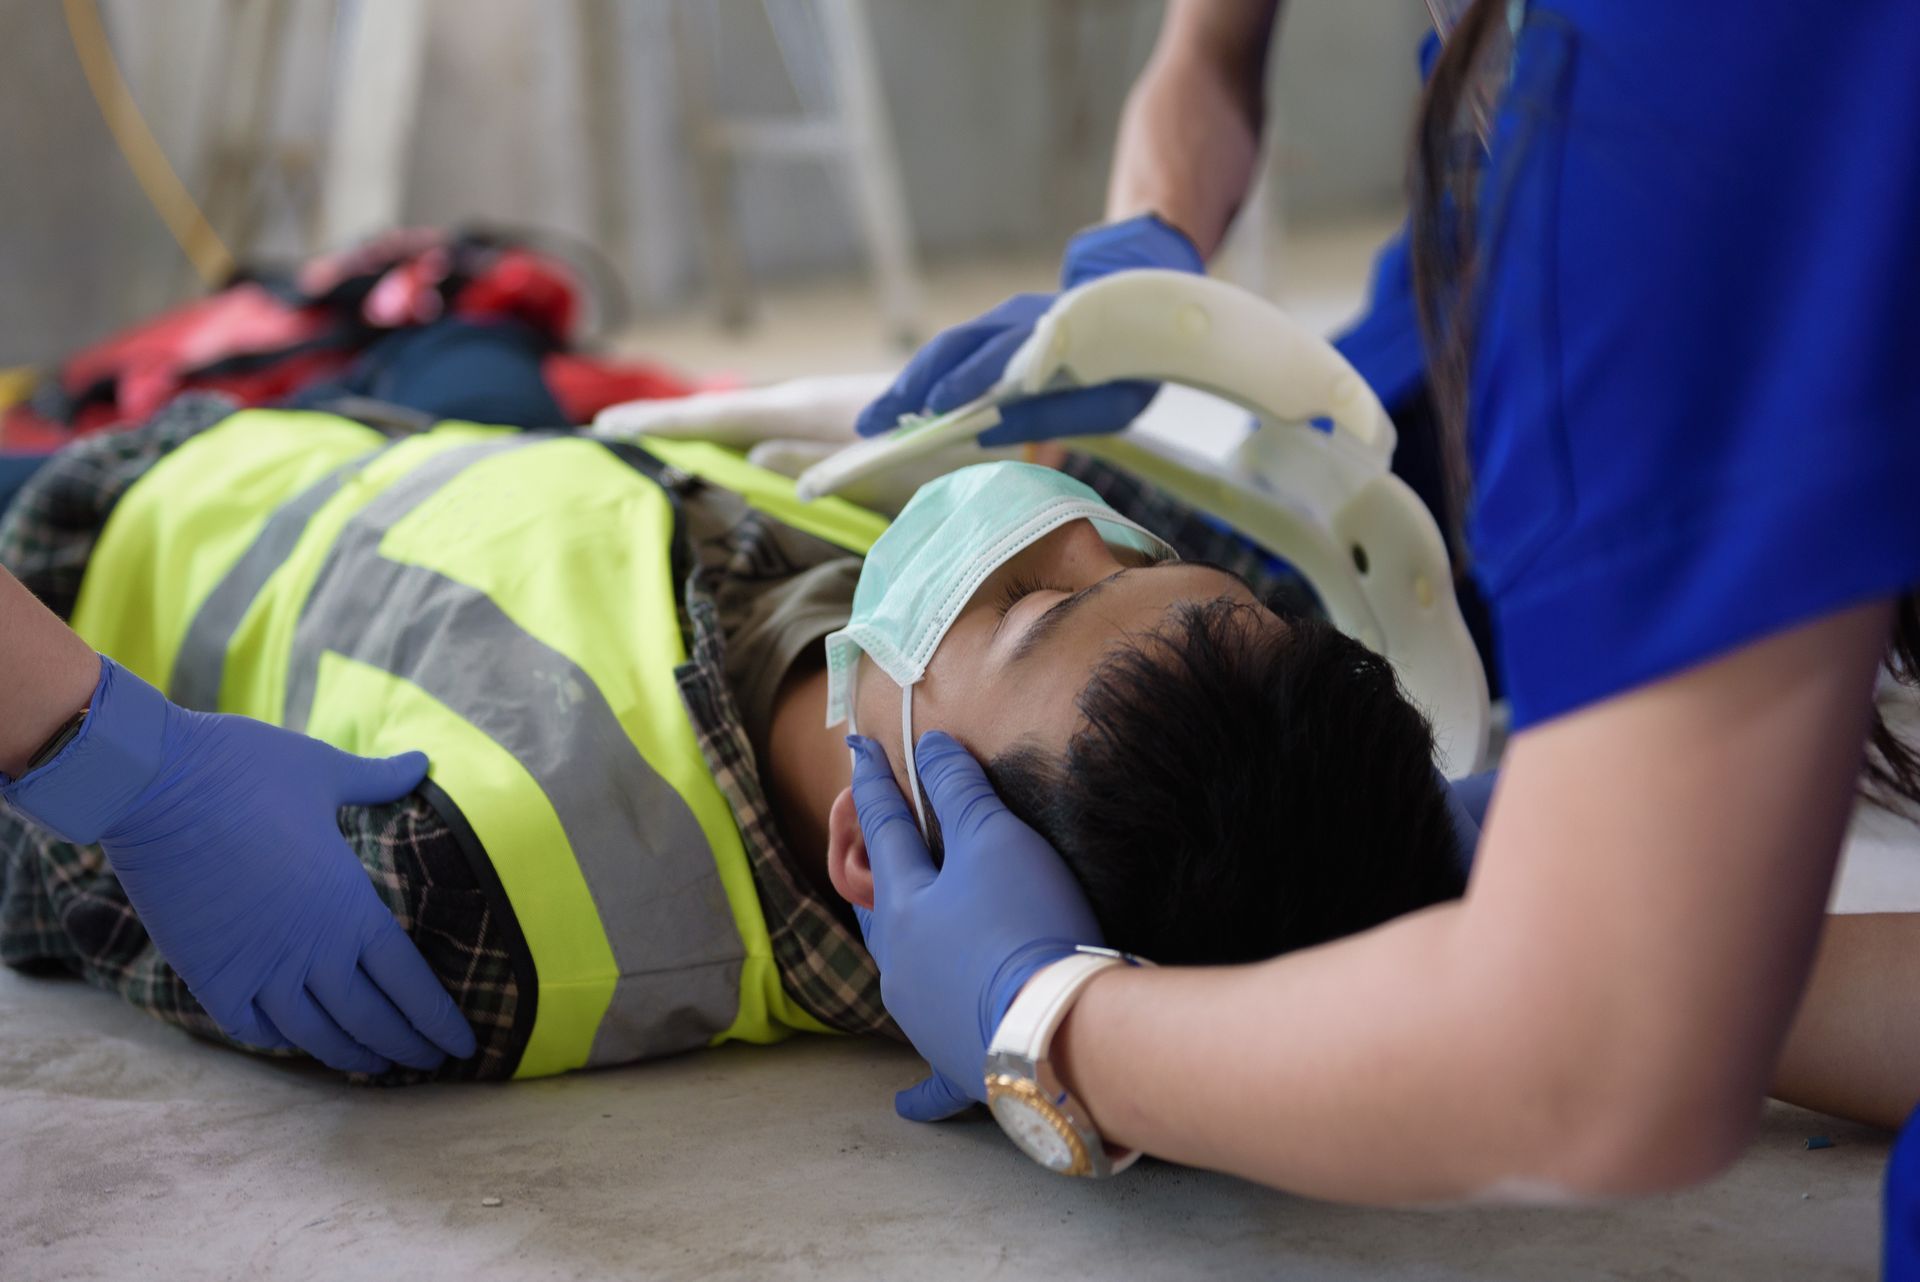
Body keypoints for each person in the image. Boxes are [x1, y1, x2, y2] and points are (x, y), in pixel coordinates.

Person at [846, 0, 1920, 1263]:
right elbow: (1208, 53)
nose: (1075, 526)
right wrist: (1143, 267)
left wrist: (1056, 1028)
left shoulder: (1669, 114)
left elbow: (1604, 1070)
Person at [0, 392, 1462, 1080]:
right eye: (1134, 560)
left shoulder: (488, 915)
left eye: (1024, 599)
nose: (1064, 524)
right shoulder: (1022, 684)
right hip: (350, 430)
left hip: (80, 557)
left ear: (884, 844)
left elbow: (64, 874)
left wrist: (109, 763)